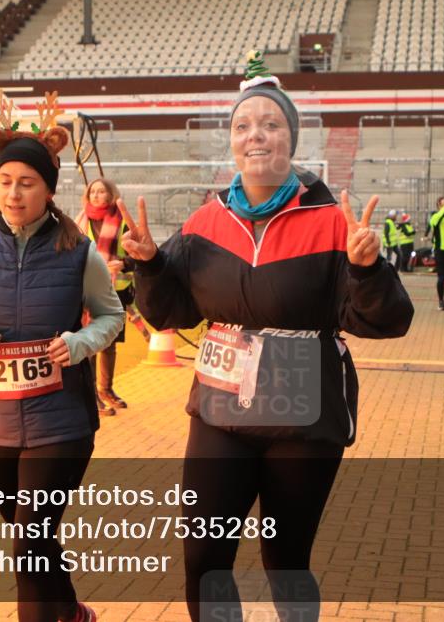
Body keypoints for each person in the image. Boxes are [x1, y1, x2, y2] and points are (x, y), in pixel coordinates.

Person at [117, 52, 414, 622]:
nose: (256, 136)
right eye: (242, 126)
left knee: (286, 560)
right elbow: (170, 315)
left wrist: (368, 269)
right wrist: (151, 264)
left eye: (271, 124)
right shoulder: (206, 222)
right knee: (204, 558)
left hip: (302, 417)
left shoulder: (333, 222)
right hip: (220, 413)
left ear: (291, 138)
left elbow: (388, 320)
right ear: (230, 141)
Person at [0, 89, 123, 622]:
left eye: (27, 183)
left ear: (48, 188)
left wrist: (79, 345)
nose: (14, 194)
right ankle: (72, 612)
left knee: (29, 541)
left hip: (60, 423)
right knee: (28, 537)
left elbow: (112, 317)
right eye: (5, 182)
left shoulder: (79, 252)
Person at [75, 178, 136, 417]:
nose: (97, 196)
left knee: (109, 343)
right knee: (90, 342)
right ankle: (90, 397)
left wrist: (123, 263)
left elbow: (139, 255)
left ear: (111, 195)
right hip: (88, 291)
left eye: (102, 191)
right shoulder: (79, 222)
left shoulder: (123, 222)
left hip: (117, 292)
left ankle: (106, 390)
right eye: (93, 192)